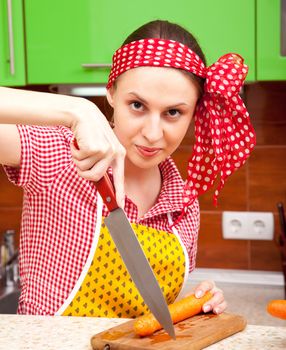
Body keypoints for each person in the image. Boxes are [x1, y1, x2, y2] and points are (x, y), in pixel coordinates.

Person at [0, 20, 255, 317]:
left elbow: (149, 309)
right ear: (111, 92)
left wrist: (198, 303)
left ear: (194, 113)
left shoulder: (184, 205)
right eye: (137, 105)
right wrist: (76, 110)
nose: (152, 133)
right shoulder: (59, 152)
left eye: (173, 112)